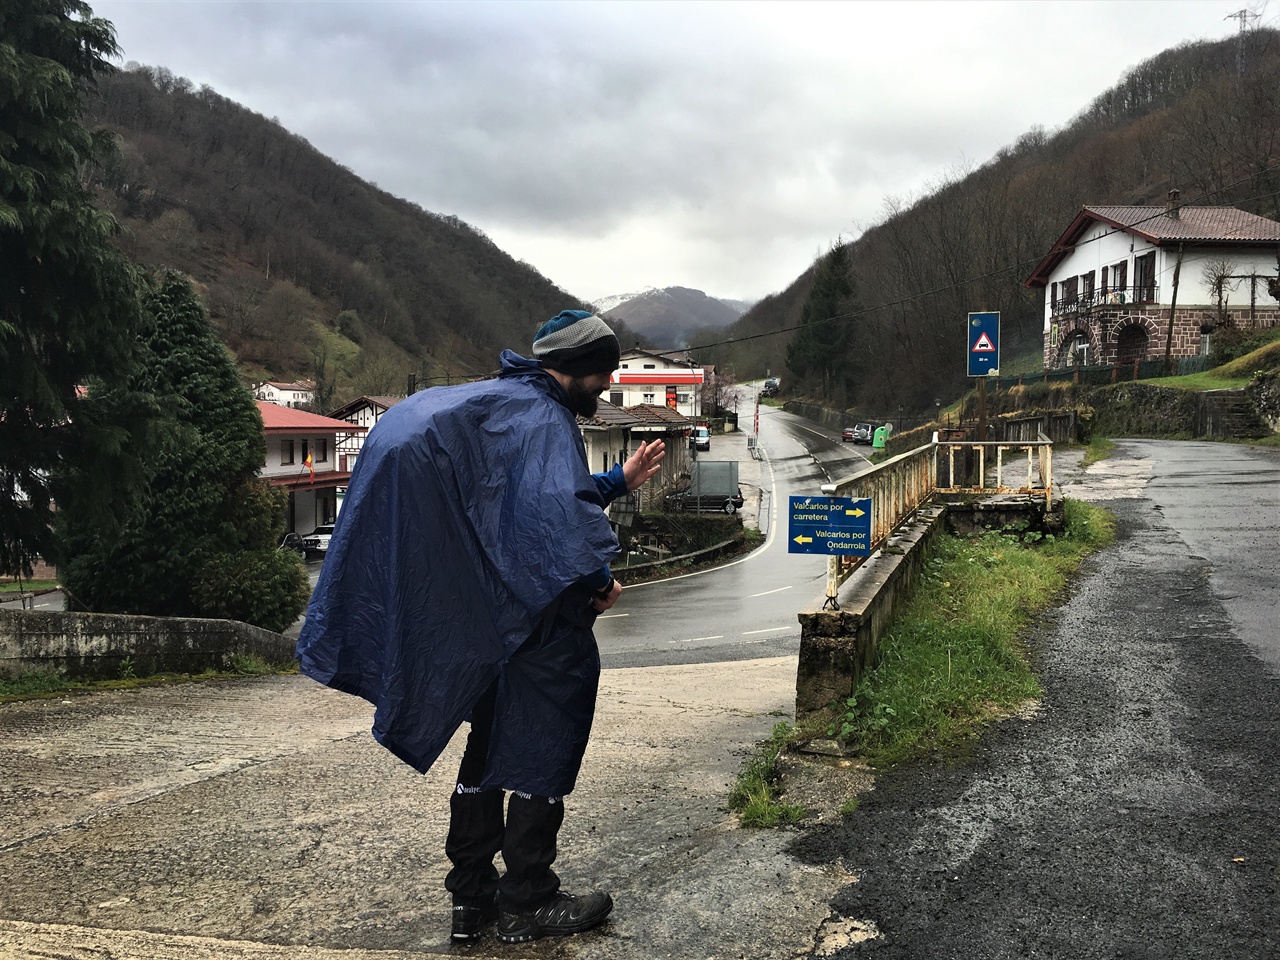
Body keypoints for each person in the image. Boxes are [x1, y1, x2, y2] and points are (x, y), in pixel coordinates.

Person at [296, 310, 665, 945]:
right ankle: (528, 899)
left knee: (488, 746)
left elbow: (529, 495)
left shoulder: (503, 404)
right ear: (574, 370)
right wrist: (600, 583)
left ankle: (472, 896)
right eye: (603, 371)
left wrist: (616, 480)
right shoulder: (546, 418)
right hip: (541, 626)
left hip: (492, 623)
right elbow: (554, 521)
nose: (607, 383)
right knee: (542, 748)